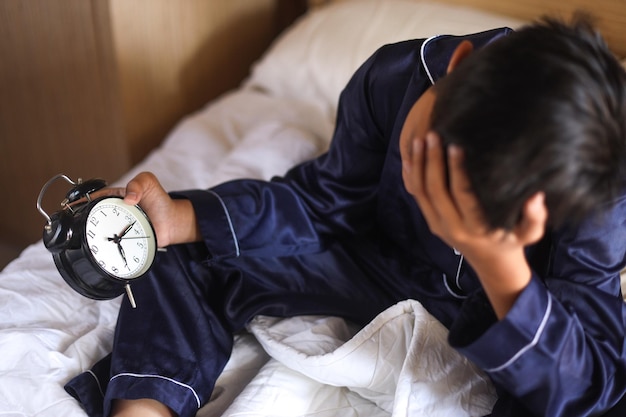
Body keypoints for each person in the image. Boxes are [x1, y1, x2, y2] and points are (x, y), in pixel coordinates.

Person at [65, 16, 626, 417]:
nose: (420, 187)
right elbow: (323, 201)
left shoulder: (598, 183)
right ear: (458, 65)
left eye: (460, 202)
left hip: (503, 304)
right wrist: (181, 219)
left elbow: (593, 378)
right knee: (188, 241)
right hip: (377, 258)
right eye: (424, 155)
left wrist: (500, 267)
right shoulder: (395, 75)